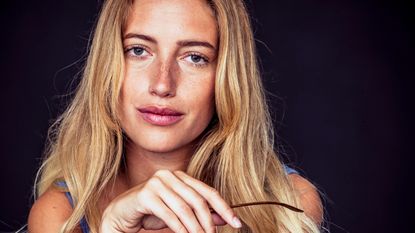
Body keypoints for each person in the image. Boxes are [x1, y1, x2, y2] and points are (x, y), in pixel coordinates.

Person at [28, 0, 323, 232]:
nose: (162, 84)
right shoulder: (60, 216)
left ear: (226, 78)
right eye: (138, 50)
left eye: (195, 57)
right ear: (108, 65)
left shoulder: (288, 206)